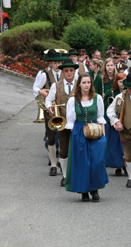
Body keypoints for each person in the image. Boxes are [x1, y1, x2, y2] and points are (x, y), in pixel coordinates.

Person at [64, 72, 108, 202]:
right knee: (82, 163)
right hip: (79, 132)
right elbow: (70, 121)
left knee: (97, 161)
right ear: (79, 84)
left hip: (95, 131)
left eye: (89, 82)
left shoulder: (98, 98)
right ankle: (84, 191)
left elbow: (101, 117)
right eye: (84, 82)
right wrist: (77, 136)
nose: (86, 85)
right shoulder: (73, 100)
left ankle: (95, 189)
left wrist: (103, 137)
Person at [45, 58, 78, 186]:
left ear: (74, 72)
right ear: (63, 72)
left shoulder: (81, 83)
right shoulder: (56, 85)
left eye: (71, 70)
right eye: (66, 71)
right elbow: (48, 100)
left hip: (77, 123)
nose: (69, 73)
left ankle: (76, 174)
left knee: (77, 150)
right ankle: (65, 175)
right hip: (62, 123)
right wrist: (50, 108)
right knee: (64, 150)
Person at [104, 73, 128, 176]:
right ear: (116, 82)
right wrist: (110, 119)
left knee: (126, 145)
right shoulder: (111, 93)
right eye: (119, 81)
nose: (122, 84)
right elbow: (106, 108)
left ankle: (126, 165)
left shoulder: (128, 92)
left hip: (125, 122)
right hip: (114, 123)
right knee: (115, 146)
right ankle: (117, 166)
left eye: (123, 81)